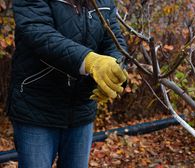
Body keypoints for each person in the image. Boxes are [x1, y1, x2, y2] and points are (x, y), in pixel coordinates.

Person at [6, 0, 128, 167]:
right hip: (36, 109)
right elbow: (40, 35)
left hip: (81, 109)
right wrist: (90, 61)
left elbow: (114, 41)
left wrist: (115, 70)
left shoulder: (104, 2)